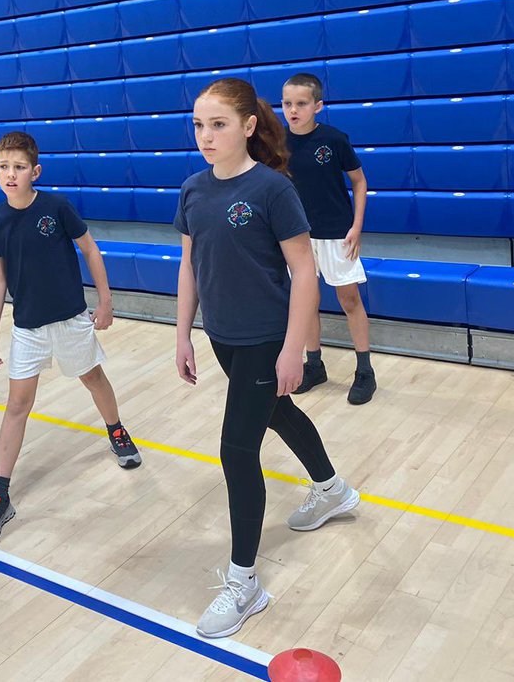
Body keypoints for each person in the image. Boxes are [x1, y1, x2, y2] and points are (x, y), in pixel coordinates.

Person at [175, 78, 360, 639]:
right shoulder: (192, 188)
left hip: (264, 337)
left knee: (236, 448)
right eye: (200, 125)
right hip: (222, 336)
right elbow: (189, 266)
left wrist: (293, 348)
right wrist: (183, 333)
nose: (206, 136)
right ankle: (333, 491)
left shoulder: (273, 190)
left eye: (219, 124)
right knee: (276, 413)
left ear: (248, 127)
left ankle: (245, 581)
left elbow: (305, 271)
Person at [0, 131, 141, 543]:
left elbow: (90, 250)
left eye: (20, 167)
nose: (12, 174)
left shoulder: (56, 206)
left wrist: (105, 302)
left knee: (93, 378)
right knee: (17, 405)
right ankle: (0, 493)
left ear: (35, 171)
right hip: (27, 328)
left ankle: (116, 430)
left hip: (70, 320)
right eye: (5, 167)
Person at [281, 73, 377, 405]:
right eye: (287, 104)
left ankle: (364, 370)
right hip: (297, 238)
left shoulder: (334, 140)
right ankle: (314, 365)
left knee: (349, 301)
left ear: (318, 106)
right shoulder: (276, 144)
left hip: (337, 235)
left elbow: (360, 182)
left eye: (301, 104)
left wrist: (356, 226)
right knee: (305, 303)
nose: (293, 110)